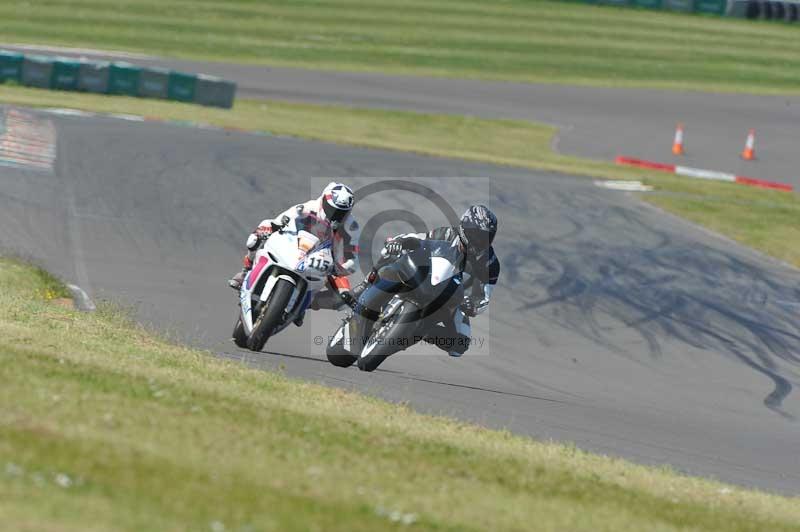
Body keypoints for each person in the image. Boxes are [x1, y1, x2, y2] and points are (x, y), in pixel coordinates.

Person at [353, 204, 499, 357]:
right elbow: (418, 239)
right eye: (476, 235)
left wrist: (473, 305)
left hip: (451, 300)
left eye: (486, 237)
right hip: (423, 278)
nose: (479, 241)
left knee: (460, 344)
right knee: (390, 253)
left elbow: (484, 296)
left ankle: (419, 333)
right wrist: (399, 242)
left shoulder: (490, 264)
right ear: (464, 228)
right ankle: (365, 285)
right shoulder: (446, 234)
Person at [228, 182, 361, 326]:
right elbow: (279, 221)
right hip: (297, 245)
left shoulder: (351, 226)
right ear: (323, 200)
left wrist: (343, 267)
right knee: (255, 238)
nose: (335, 214)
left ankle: (304, 304)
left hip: (326, 257)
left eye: (341, 212)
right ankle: (245, 270)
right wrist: (269, 228)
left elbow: (353, 255)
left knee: (342, 299)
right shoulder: (307, 207)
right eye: (332, 208)